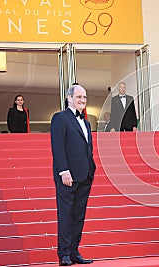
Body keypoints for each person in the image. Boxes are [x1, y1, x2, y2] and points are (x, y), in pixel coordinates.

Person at [50, 84, 96, 266]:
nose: (82, 101)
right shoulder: (60, 118)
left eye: (84, 97)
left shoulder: (86, 122)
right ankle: (64, 254)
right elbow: (58, 146)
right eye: (79, 97)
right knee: (66, 214)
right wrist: (63, 170)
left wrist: (91, 169)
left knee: (78, 215)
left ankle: (74, 251)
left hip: (85, 175)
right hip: (68, 176)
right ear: (69, 98)